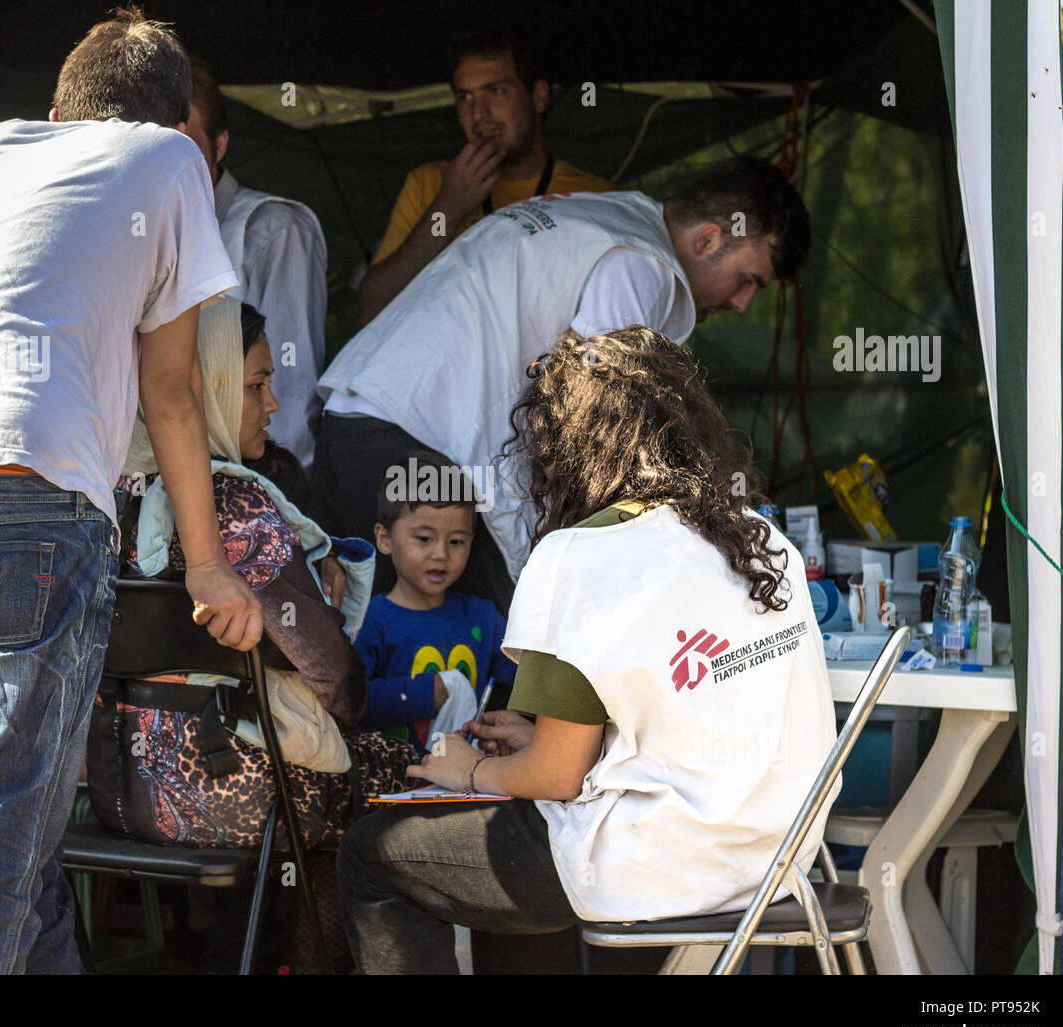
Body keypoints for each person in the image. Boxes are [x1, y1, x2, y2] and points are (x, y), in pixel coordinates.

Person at [0, 8, 259, 975]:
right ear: (176, 124)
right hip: (31, 508)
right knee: (1, 844)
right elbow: (171, 389)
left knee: (6, 833)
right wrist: (209, 566)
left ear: (58, 107)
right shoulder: (169, 163)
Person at [337, 327, 838, 974]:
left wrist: (468, 768)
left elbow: (556, 776)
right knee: (526, 834)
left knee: (371, 854)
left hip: (656, 870)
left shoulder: (580, 556)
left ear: (565, 450)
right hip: (778, 860)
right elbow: (691, 723)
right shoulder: (761, 537)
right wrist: (544, 736)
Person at [317, 156, 811, 610]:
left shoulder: (602, 216)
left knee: (377, 651)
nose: (743, 302)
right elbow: (591, 419)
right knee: (495, 653)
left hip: (353, 421)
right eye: (748, 280)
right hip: (420, 442)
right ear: (706, 240)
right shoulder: (644, 266)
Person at [96, 298, 415, 972]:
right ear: (208, 384)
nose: (272, 403)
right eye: (255, 383)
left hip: (117, 793)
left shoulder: (107, 502)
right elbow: (333, 676)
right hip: (233, 794)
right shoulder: (238, 506)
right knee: (406, 777)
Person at [357, 27, 613, 325]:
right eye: (465, 97)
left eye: (496, 91)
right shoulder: (429, 184)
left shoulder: (596, 196)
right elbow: (372, 308)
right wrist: (448, 209)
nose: (478, 113)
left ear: (539, 96)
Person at [184, 57, 328, 473]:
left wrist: (281, 513)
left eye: (185, 148)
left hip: (255, 493)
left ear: (220, 145)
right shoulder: (147, 231)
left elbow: (290, 396)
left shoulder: (274, 231)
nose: (170, 166)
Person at [354, 453, 517, 750]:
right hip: (392, 782)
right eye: (424, 539)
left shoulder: (482, 618)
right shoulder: (371, 620)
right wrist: (424, 694)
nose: (441, 554)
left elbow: (527, 678)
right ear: (385, 538)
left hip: (467, 780)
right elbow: (351, 702)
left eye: (456, 541)